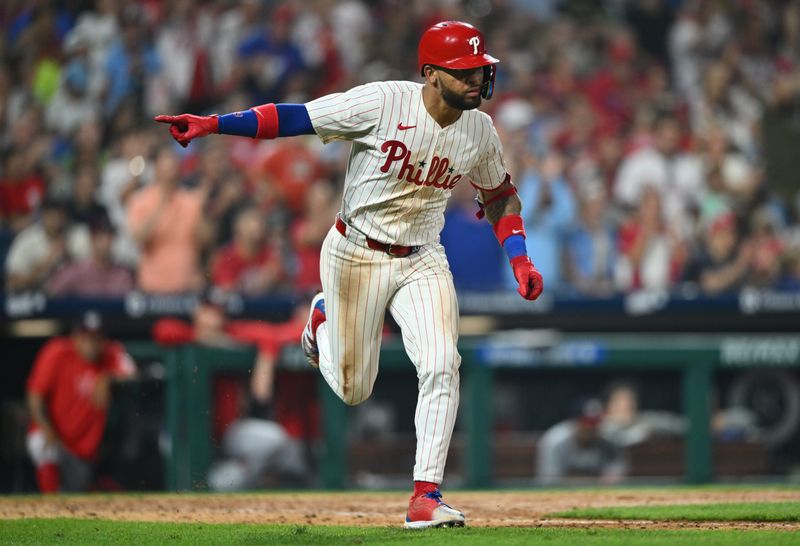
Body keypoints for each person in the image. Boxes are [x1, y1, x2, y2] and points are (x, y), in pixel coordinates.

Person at [155, 20, 543, 529]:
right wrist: (213, 124)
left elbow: (498, 195)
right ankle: (322, 319)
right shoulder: (383, 103)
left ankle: (425, 495)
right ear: (430, 74)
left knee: (443, 362)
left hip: (423, 255)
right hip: (356, 251)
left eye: (479, 70)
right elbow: (295, 117)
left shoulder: (480, 130)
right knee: (354, 389)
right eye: (465, 71)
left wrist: (519, 257)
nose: (476, 80)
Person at [25, 311, 136, 493]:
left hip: (83, 447)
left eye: (96, 338)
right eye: (85, 338)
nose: (91, 345)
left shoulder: (111, 353)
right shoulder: (58, 351)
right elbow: (34, 395)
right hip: (54, 432)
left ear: (103, 340)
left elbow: (133, 374)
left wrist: (110, 378)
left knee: (76, 492)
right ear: (75, 337)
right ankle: (48, 505)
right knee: (41, 444)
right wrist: (47, 428)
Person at [536, 398, 628, 486]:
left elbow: (618, 475)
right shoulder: (554, 441)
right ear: (574, 422)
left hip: (599, 494)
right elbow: (549, 482)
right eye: (586, 423)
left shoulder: (610, 439)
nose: (591, 428)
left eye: (595, 423)